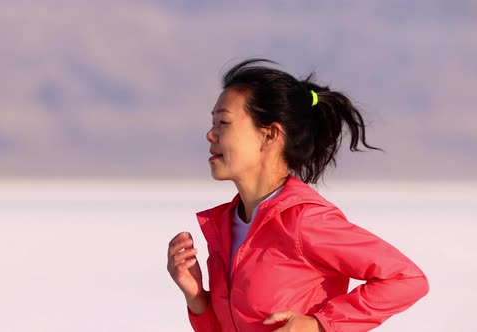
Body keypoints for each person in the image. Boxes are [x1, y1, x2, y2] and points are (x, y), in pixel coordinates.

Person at [166, 59, 429, 332]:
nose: (211, 134)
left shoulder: (304, 220)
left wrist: (319, 325)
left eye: (223, 122)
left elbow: (406, 279)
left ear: (269, 135)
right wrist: (198, 299)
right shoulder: (226, 227)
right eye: (213, 122)